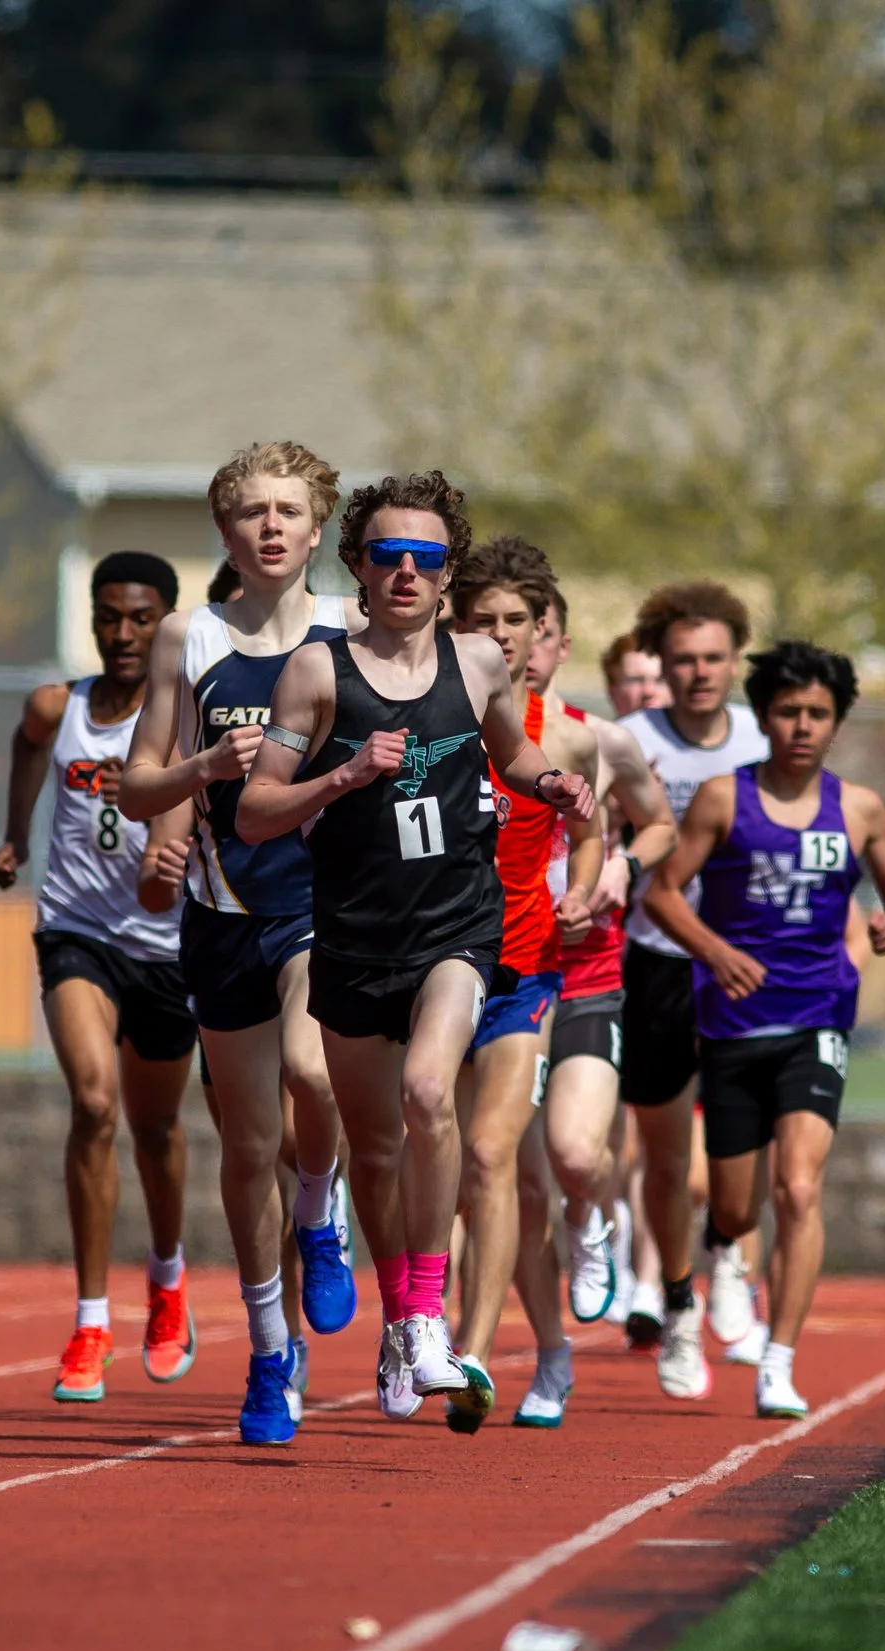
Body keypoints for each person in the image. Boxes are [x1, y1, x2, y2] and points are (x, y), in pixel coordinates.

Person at [233, 471, 594, 1427]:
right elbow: (254, 810)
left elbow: (510, 752)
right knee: (379, 1150)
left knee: (432, 1091)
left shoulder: (479, 662)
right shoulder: (316, 671)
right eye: (387, 554)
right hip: (352, 935)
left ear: (446, 575)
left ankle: (429, 1316)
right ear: (357, 565)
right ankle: (401, 1321)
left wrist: (551, 780)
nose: (405, 571)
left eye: (425, 557)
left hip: (455, 926)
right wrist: (342, 775)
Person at [119, 441, 357, 1447]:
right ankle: (269, 1350)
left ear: (316, 529)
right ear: (225, 531)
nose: (269, 526)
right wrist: (205, 763)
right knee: (246, 1143)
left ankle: (322, 1208)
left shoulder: (355, 634)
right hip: (220, 914)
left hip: (328, 905)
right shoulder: (189, 638)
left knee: (315, 1067)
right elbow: (136, 787)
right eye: (249, 511)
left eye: (287, 511)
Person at [640, 641, 885, 1417]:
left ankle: (779, 1359)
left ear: (837, 722)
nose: (802, 725)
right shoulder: (725, 800)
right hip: (732, 1024)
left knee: (800, 1187)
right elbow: (662, 894)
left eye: (818, 714)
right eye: (789, 711)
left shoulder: (859, 807)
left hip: (818, 1014)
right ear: (763, 716)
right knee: (734, 1208)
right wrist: (716, 952)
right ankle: (724, 1256)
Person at [0, 552, 198, 1404]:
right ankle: (89, 1320)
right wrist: (17, 835)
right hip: (76, 931)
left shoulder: (184, 720)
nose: (122, 634)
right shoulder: (58, 705)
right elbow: (27, 744)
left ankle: (169, 1274)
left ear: (166, 624)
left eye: (140, 619)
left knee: (156, 1130)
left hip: (167, 946)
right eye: (108, 616)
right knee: (94, 1102)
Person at [442, 537, 603, 1431]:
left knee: (490, 1158)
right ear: (453, 624)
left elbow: (590, 829)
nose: (500, 635)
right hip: (429, 966)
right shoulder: (427, 711)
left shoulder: (566, 732)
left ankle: (471, 1353)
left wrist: (580, 894)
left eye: (516, 621)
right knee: (461, 1172)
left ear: (541, 630)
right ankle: (543, 1345)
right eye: (481, 619)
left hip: (521, 969)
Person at [616, 581, 769, 1400]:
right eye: (683, 659)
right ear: (661, 665)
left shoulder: (759, 735)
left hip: (747, 967)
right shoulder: (629, 740)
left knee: (747, 1147)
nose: (699, 672)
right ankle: (678, 1306)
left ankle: (732, 1255)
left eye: (713, 657)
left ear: (736, 660)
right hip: (656, 965)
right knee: (668, 1158)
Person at [521, 601, 676, 1345]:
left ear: (559, 643)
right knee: (501, 1177)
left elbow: (660, 823)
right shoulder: (449, 734)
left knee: (577, 1154)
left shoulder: (599, 738)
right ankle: (539, 1353)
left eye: (534, 630)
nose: (516, 644)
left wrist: (622, 863)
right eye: (489, 626)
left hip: (584, 968)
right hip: (490, 972)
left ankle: (590, 1215)